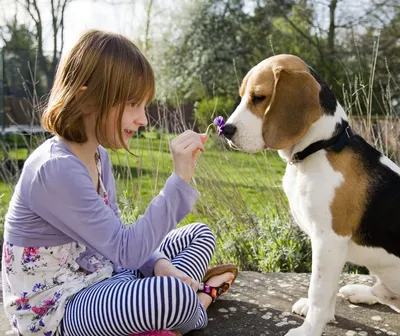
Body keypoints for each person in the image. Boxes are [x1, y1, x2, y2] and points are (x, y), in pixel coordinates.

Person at [1, 29, 237, 336]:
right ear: (87, 98)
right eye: (132, 104)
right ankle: (200, 299)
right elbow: (126, 251)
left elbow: (117, 243)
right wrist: (180, 180)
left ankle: (160, 301)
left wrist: (160, 265)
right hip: (59, 311)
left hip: (102, 275)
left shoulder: (97, 156)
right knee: (172, 296)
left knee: (199, 235)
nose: (143, 119)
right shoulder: (55, 169)